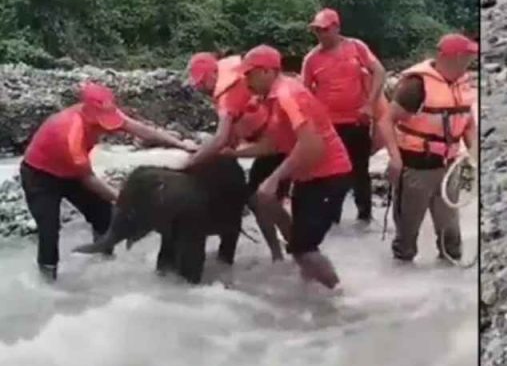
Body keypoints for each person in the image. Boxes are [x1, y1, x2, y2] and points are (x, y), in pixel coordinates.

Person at [20, 82, 197, 281]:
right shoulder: (70, 131)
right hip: (40, 176)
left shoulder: (106, 111)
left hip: (71, 173)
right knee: (49, 229)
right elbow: (87, 178)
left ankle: (102, 266)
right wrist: (125, 199)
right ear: (88, 111)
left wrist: (181, 145)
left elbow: (141, 129)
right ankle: (47, 281)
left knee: (104, 216)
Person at [229, 44, 353, 289]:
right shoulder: (272, 99)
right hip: (308, 178)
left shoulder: (289, 94)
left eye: (249, 73)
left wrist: (274, 179)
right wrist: (232, 153)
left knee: (304, 247)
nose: (246, 80)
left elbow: (311, 145)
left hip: (330, 176)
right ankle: (308, 294)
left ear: (267, 71)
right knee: (299, 244)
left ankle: (338, 297)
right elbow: (276, 144)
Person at [377, 33, 478, 262]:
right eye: (467, 57)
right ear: (450, 57)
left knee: (450, 234)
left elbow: (467, 122)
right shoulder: (416, 85)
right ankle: (402, 276)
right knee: (407, 237)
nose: (470, 61)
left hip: (449, 168)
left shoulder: (463, 83)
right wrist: (394, 158)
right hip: (415, 169)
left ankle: (450, 274)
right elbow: (386, 120)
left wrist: (475, 155)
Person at [183, 52, 290, 261]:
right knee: (260, 200)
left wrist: (190, 163)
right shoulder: (231, 75)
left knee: (260, 200)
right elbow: (230, 135)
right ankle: (285, 251)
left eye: (202, 83)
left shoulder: (227, 96)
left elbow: (222, 139)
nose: (201, 89)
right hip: (274, 139)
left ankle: (294, 249)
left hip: (279, 144)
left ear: (214, 74)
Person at [302, 7, 387, 223]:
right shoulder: (312, 59)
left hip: (357, 120)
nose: (320, 34)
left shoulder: (356, 47)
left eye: (324, 29)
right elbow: (304, 93)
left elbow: (379, 71)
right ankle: (332, 218)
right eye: (316, 30)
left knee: (360, 170)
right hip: (328, 125)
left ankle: (365, 215)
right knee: (333, 171)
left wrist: (370, 105)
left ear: (336, 28)